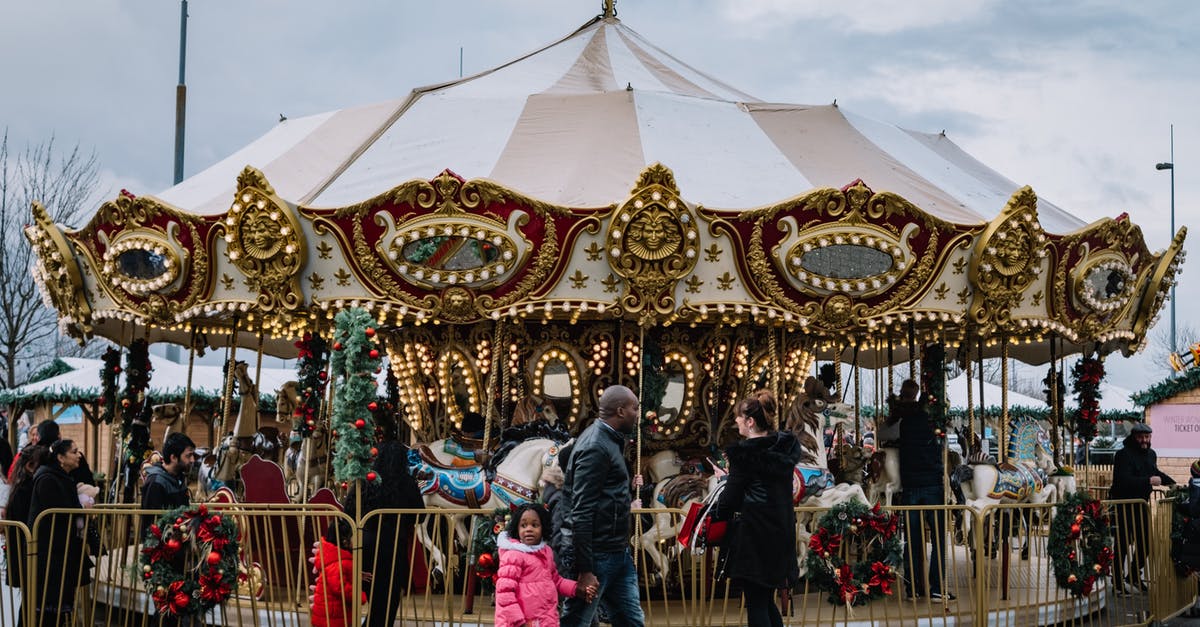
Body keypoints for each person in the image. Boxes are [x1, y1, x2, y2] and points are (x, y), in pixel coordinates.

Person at [711, 389, 802, 627]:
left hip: (755, 535)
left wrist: (722, 485)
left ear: (750, 422)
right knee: (765, 600)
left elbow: (730, 499)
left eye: (739, 418)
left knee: (756, 603)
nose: (736, 422)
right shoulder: (783, 449)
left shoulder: (745, 455)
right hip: (780, 532)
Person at [560, 385, 645, 627]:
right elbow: (582, 509)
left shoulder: (610, 440)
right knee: (577, 621)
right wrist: (586, 568)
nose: (638, 414)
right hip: (598, 554)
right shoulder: (596, 446)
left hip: (617, 550)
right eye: (634, 408)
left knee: (631, 620)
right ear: (620, 411)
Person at [340, 440, 424, 627]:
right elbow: (421, 515)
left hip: (367, 545)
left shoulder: (367, 481)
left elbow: (348, 512)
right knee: (387, 606)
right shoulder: (406, 483)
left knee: (376, 605)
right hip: (394, 546)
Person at [888, 379, 954, 601]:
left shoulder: (901, 421)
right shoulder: (933, 421)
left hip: (910, 485)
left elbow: (883, 435)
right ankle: (936, 588)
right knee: (938, 539)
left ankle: (913, 588)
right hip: (932, 485)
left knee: (912, 539)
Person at [495, 503, 595, 627]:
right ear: (517, 529)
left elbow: (556, 581)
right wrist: (518, 621)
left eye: (535, 525)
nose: (529, 529)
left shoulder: (546, 552)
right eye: (523, 525)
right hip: (520, 623)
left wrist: (577, 589)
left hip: (544, 620)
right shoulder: (513, 556)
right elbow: (504, 593)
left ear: (543, 528)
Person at [27, 439, 93, 627]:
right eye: (74, 451)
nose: (78, 455)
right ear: (60, 457)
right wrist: (82, 510)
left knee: (58, 610)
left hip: (60, 552)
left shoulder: (61, 476)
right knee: (47, 611)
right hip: (49, 554)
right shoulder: (48, 478)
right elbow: (60, 511)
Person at [1110, 422, 1176, 592]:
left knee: (1146, 542)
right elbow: (1121, 480)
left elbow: (1155, 473)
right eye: (1141, 437)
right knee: (1122, 544)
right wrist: (1147, 481)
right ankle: (1117, 582)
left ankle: (1132, 574)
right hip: (1123, 505)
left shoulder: (1151, 454)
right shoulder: (1123, 455)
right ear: (1134, 437)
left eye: (1147, 437)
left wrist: (1173, 484)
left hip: (1141, 505)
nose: (1144, 440)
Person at [4, 445, 47, 626]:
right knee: (32, 604)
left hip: (24, 552)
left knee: (31, 602)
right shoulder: (27, 488)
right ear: (30, 465)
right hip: (27, 553)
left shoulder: (20, 485)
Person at [311, 519, 365, 627]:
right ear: (345, 541)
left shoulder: (335, 557)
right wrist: (359, 596)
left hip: (332, 614)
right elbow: (340, 587)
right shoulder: (339, 561)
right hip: (333, 618)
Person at [140, 432, 196, 532]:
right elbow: (151, 524)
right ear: (173, 457)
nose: (192, 460)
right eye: (188, 456)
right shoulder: (156, 483)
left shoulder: (178, 478)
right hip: (163, 543)